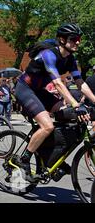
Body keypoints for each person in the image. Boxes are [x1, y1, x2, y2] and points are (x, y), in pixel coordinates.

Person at [14, 23, 95, 182]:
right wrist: (75, 104)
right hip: (25, 89)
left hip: (40, 91)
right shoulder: (48, 55)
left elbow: (80, 83)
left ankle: (51, 155)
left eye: (79, 39)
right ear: (62, 40)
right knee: (48, 126)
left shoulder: (70, 59)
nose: (78, 42)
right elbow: (58, 84)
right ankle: (23, 159)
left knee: (70, 117)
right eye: (74, 39)